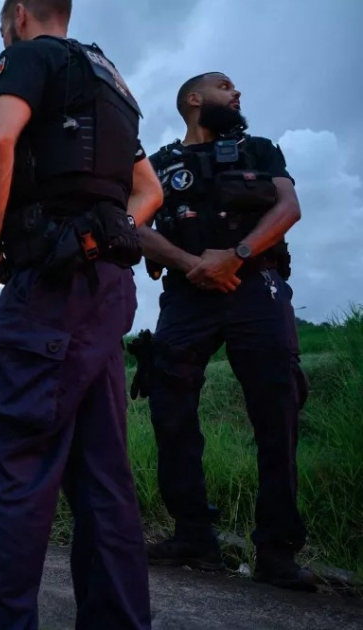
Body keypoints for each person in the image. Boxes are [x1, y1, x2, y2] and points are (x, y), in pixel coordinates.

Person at [0, 1, 164, 628]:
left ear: (20, 14)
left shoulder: (29, 57)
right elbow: (150, 190)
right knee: (104, 483)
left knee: (15, 475)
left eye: (3, 26)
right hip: (106, 293)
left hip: (50, 293)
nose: (4, 35)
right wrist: (107, 232)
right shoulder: (112, 82)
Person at [132, 71, 316, 592]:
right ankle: (194, 536)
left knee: (276, 412)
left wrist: (233, 256)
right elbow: (136, 226)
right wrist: (193, 262)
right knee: (170, 409)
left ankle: (277, 551)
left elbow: (288, 207)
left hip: (256, 285)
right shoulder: (160, 164)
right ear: (195, 99)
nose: (237, 94)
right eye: (226, 86)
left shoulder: (259, 149)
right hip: (188, 292)